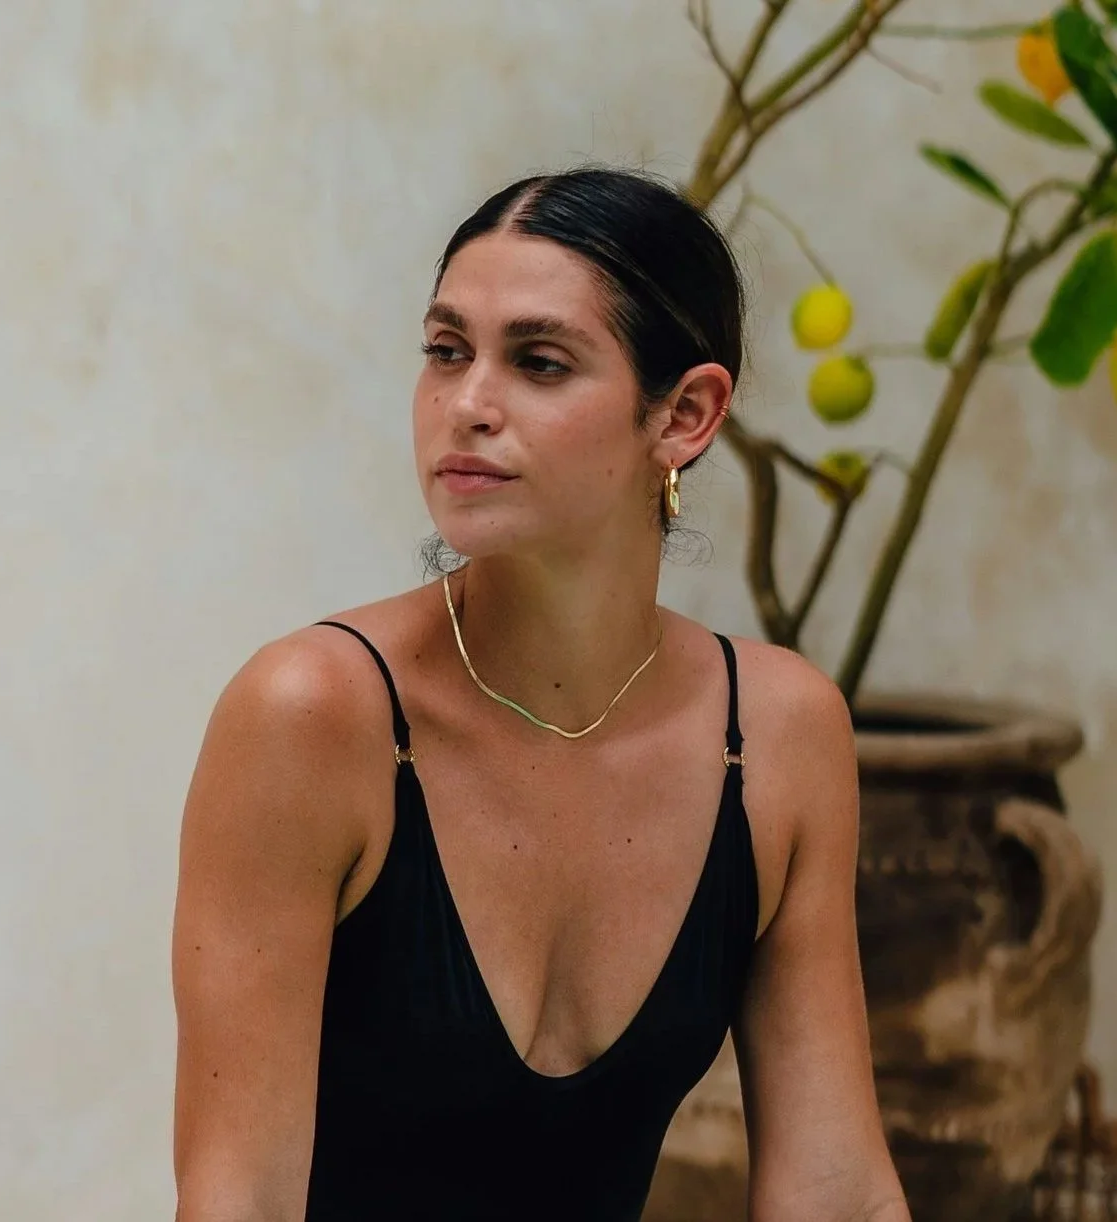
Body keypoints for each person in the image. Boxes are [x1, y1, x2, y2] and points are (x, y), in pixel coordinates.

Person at [169, 166, 910, 1222]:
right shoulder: (315, 716)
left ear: (686, 415)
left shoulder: (780, 735)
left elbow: (837, 1195)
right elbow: (237, 1200)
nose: (468, 405)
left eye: (540, 362)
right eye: (446, 351)